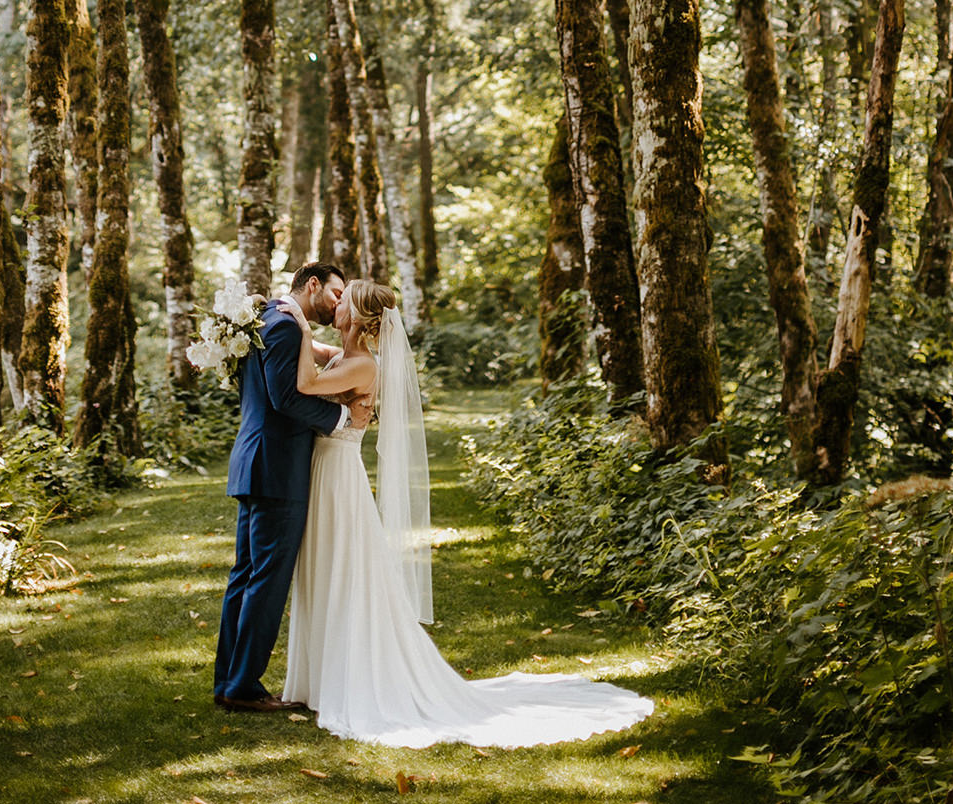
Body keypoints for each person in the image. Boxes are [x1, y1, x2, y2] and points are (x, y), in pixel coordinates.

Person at [278, 277, 654, 749]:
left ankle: (353, 678)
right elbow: (319, 354)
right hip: (326, 468)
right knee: (325, 569)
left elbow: (306, 381)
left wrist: (296, 322)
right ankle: (321, 679)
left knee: (344, 570)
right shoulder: (347, 354)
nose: (335, 304)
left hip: (338, 476)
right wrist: (276, 318)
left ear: (357, 317)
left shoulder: (363, 367)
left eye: (344, 300)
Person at [214, 262, 374, 713]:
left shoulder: (269, 318)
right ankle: (243, 686)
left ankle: (229, 681)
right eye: (335, 293)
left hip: (257, 463)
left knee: (245, 575)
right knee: (265, 579)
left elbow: (299, 367)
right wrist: (343, 419)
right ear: (312, 285)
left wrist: (325, 350)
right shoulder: (284, 326)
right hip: (278, 468)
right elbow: (286, 397)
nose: (339, 302)